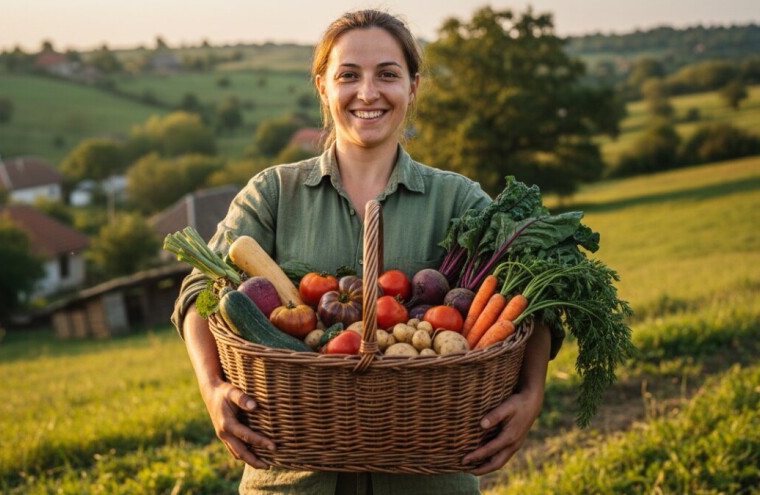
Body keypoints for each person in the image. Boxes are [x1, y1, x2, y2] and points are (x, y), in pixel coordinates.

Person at [172, 9, 559, 494]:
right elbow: (195, 291)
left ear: (413, 87)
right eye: (348, 75)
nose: (368, 93)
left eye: (388, 75)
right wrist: (211, 388)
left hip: (429, 475)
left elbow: (537, 295)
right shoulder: (274, 192)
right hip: (291, 478)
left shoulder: (458, 199)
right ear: (322, 87)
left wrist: (531, 391)